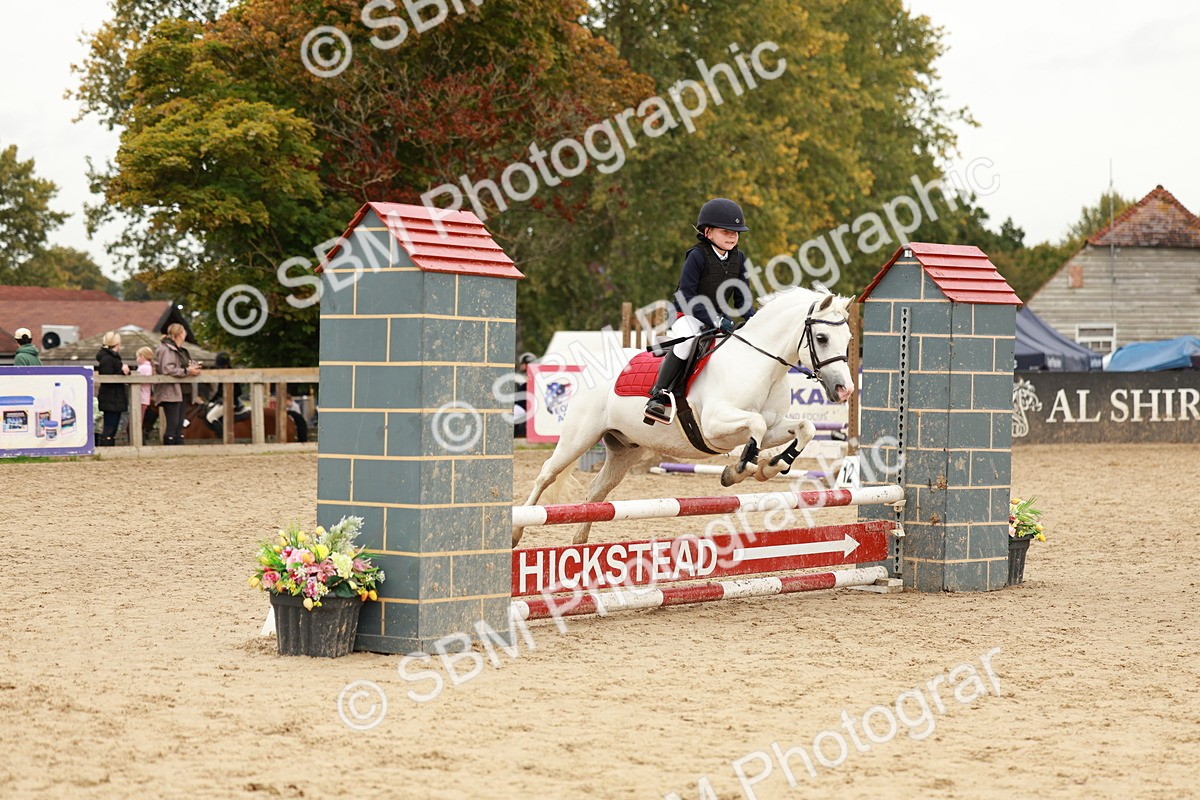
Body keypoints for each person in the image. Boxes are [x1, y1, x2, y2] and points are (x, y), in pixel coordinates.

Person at [644, 198, 757, 424]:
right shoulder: (697, 256)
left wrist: (756, 321)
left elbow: (741, 299)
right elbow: (685, 296)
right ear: (707, 232)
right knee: (687, 342)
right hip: (688, 314)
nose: (733, 236)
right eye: (726, 231)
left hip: (719, 319)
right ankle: (658, 394)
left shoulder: (739, 258)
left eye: (736, 232)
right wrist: (715, 319)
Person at [153, 323, 201, 445]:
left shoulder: (181, 351)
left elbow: (182, 365)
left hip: (183, 390)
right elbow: (167, 369)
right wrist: (187, 371)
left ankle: (179, 446)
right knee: (173, 422)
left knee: (180, 422)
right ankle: (169, 446)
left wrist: (192, 367)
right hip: (171, 390)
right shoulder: (166, 349)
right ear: (180, 334)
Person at [95, 331, 131, 446]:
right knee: (109, 427)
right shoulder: (107, 358)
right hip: (111, 397)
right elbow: (107, 376)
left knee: (113, 426)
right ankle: (106, 447)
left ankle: (109, 446)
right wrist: (122, 371)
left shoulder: (110, 357)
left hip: (115, 396)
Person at [513, 352, 536, 438]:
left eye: (522, 363)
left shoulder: (532, 377)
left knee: (511, 413)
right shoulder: (525, 377)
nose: (521, 365)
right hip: (520, 406)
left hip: (524, 407)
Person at [135, 346, 154, 418]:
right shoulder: (150, 367)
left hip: (141, 397)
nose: (136, 360)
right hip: (146, 396)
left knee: (138, 417)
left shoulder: (143, 368)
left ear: (142, 357)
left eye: (137, 357)